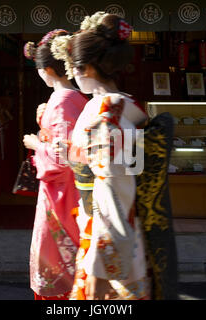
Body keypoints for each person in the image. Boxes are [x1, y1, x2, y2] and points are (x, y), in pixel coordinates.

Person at [51, 13, 150, 300]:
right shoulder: (124, 104)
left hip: (111, 245)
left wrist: (101, 268)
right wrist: (73, 153)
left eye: (75, 67)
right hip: (120, 233)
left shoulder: (107, 112)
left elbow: (114, 188)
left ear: (88, 68)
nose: (74, 73)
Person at [22, 29, 89, 300]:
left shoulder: (62, 101)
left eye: (39, 69)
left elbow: (62, 160)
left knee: (58, 261)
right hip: (68, 190)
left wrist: (36, 144)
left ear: (47, 69)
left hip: (61, 193)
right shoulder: (74, 98)